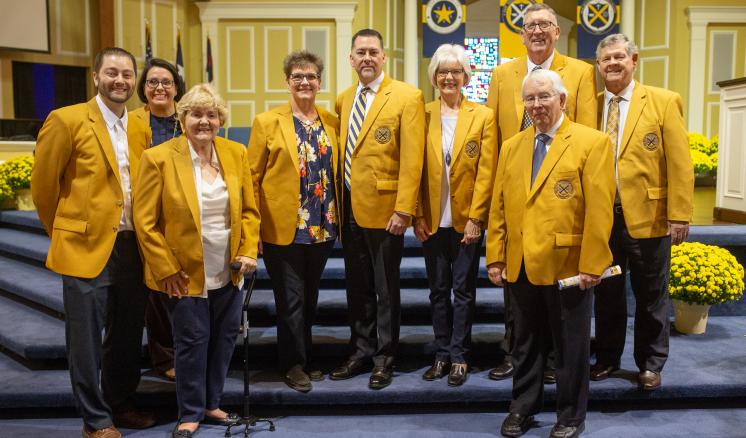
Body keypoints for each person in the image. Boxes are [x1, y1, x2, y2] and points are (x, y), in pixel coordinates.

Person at [31, 47, 156, 438]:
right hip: (84, 246)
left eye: (127, 74)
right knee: (85, 339)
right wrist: (65, 231)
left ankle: (120, 402)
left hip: (131, 245)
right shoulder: (66, 119)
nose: (120, 80)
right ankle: (95, 419)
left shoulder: (140, 125)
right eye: (112, 73)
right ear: (96, 77)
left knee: (126, 334)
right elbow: (43, 188)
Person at [486, 69, 615, 438]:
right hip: (521, 263)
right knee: (523, 345)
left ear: (562, 99)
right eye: (530, 98)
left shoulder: (592, 143)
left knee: (570, 348)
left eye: (544, 97)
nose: (536, 105)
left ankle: (571, 416)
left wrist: (593, 264)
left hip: (569, 266)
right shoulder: (512, 146)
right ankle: (522, 408)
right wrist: (496, 255)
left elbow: (600, 210)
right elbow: (499, 207)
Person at [133, 84, 260, 438]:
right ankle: (189, 411)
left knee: (223, 339)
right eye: (196, 114)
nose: (204, 121)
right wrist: (166, 268)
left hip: (229, 267)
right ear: (182, 117)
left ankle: (211, 403)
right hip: (182, 271)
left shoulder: (236, 153)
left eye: (212, 114)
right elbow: (145, 222)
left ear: (221, 119)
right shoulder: (157, 158)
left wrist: (248, 249)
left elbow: (250, 210)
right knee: (191, 341)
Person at [484, 2, 598, 384]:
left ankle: (552, 361)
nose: (536, 31)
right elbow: (492, 137)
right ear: (521, 34)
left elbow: (589, 132)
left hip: (560, 188)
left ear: (556, 31)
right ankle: (515, 354)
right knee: (517, 281)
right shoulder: (502, 74)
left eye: (544, 25)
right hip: (515, 180)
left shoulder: (580, 73)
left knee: (554, 287)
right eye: (530, 25)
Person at [591, 34, 694, 391]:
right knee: (607, 293)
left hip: (650, 216)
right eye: (606, 60)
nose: (613, 64)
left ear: (634, 59)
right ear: (598, 66)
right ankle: (606, 358)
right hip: (603, 219)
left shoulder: (663, 101)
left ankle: (650, 363)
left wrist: (679, 213)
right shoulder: (590, 106)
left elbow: (681, 163)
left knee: (651, 295)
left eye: (620, 57)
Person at [329, 28, 425, 390]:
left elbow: (412, 158)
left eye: (373, 52)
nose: (367, 58)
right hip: (350, 208)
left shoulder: (406, 96)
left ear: (384, 57)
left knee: (386, 288)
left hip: (388, 212)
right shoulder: (343, 99)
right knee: (357, 287)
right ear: (351, 59)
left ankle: (385, 357)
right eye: (360, 52)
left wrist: (405, 209)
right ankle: (360, 349)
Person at [248, 51, 340, 392]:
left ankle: (305, 356)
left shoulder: (331, 121)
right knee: (290, 298)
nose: (305, 82)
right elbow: (252, 178)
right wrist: (252, 228)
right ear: (287, 81)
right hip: (281, 226)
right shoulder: (267, 122)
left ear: (320, 82)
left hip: (323, 225)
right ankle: (292, 364)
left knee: (310, 296)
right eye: (298, 76)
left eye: (311, 76)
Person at [415, 44, 497, 387]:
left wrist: (478, 218)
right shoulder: (421, 112)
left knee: (462, 290)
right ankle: (441, 353)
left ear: (466, 76)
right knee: (437, 291)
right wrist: (418, 215)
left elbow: (487, 171)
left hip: (466, 221)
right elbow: (413, 169)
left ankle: (460, 355)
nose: (449, 77)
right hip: (432, 220)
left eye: (456, 71)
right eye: (442, 72)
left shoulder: (483, 116)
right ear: (434, 77)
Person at [130, 57, 186, 381]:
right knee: (156, 290)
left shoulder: (188, 118)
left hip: (184, 215)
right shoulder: (132, 121)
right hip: (147, 215)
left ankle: (189, 351)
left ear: (177, 87)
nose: (160, 88)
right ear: (144, 88)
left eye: (166, 82)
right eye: (152, 82)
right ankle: (163, 356)